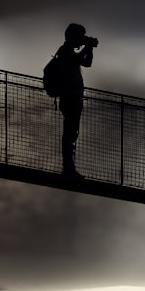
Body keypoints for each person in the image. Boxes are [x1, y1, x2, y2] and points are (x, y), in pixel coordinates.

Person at [55, 23, 95, 179]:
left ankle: (69, 168)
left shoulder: (68, 51)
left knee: (72, 134)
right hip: (70, 98)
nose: (81, 40)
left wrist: (89, 48)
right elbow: (78, 59)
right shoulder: (65, 51)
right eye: (80, 37)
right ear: (73, 37)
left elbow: (87, 63)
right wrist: (88, 46)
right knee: (70, 134)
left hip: (73, 98)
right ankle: (68, 169)